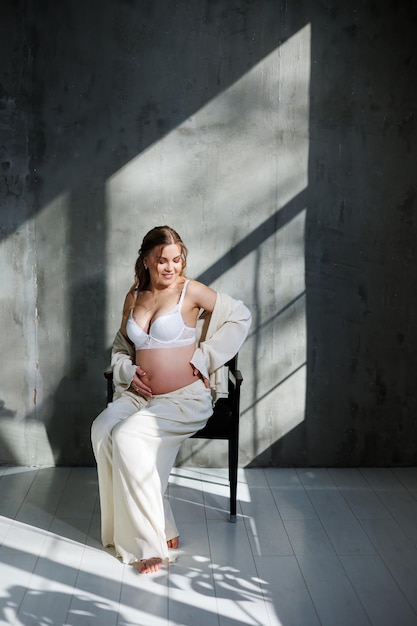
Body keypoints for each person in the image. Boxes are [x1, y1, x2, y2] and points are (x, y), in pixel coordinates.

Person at [91, 225, 251, 574]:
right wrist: (127, 371)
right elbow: (121, 349)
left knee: (128, 436)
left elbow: (240, 315)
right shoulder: (134, 297)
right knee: (103, 428)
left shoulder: (189, 291)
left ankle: (148, 546)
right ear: (146, 260)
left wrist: (204, 358)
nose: (170, 267)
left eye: (176, 260)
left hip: (183, 399)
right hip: (140, 397)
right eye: (162, 260)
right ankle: (125, 529)